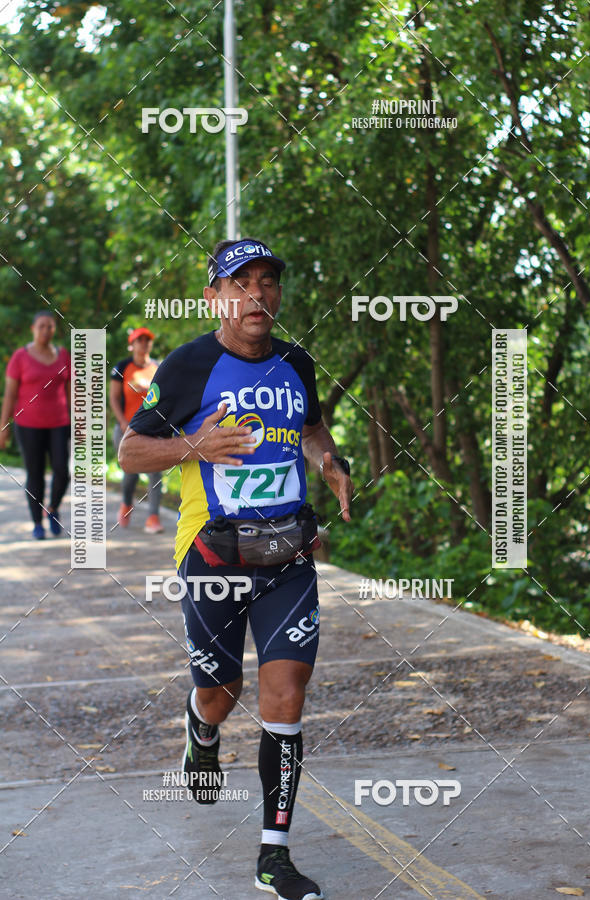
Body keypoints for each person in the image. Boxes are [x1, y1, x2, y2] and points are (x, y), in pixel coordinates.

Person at [119, 238, 353, 900]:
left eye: (267, 281)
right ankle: (201, 729)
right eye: (240, 282)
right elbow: (131, 451)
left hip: (287, 557)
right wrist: (192, 444)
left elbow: (312, 428)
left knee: (286, 697)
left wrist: (327, 463)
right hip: (213, 555)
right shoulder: (190, 365)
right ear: (216, 297)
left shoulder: (296, 363)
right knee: (221, 694)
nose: (257, 294)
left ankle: (273, 857)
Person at [0, 311, 71, 539]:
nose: (45, 330)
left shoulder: (63, 355)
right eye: (41, 326)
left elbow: (72, 392)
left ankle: (53, 508)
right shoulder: (20, 357)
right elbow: (10, 394)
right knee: (35, 474)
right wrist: (4, 426)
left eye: (50, 326)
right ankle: (37, 523)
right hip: (28, 425)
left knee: (62, 471)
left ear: (54, 330)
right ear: (33, 329)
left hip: (60, 423)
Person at [109, 326, 164, 533]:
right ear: (132, 344)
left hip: (153, 430)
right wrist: (122, 421)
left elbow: (164, 398)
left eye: (147, 340)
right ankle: (126, 503)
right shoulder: (122, 367)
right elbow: (114, 398)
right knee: (130, 473)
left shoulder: (158, 368)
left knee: (155, 473)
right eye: (139, 340)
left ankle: (153, 517)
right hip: (126, 429)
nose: (144, 343)